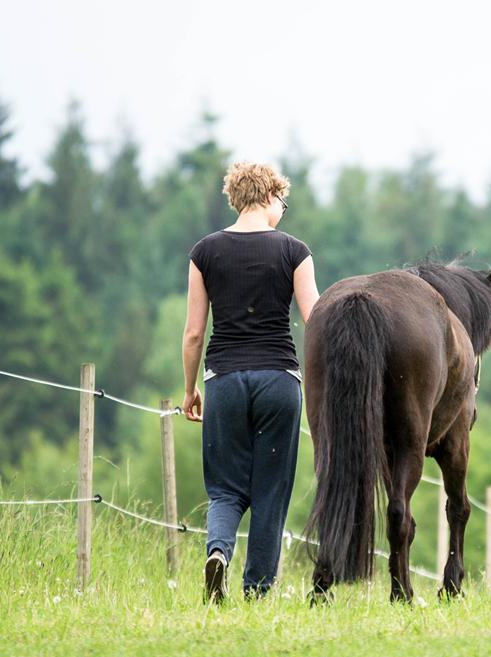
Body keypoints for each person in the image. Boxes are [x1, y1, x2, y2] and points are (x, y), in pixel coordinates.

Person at [181, 161, 321, 603]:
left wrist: (190, 388)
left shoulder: (205, 252)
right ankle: (257, 590)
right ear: (269, 196)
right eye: (283, 202)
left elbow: (194, 333)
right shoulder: (294, 251)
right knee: (270, 491)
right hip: (279, 381)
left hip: (223, 380)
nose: (283, 210)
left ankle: (218, 552)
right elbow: (316, 322)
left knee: (224, 487)